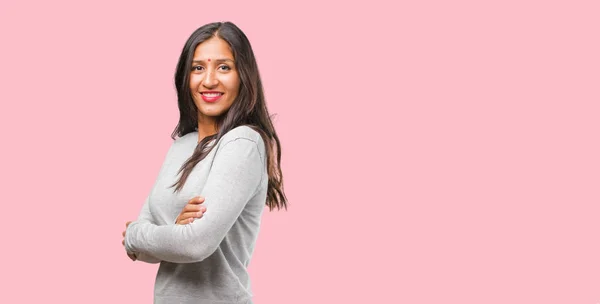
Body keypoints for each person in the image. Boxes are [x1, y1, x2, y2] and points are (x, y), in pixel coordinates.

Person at [121, 21, 287, 304]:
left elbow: (194, 244)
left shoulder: (243, 143)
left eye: (224, 67)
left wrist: (137, 235)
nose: (209, 80)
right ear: (185, 77)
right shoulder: (182, 145)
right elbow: (144, 252)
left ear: (243, 76)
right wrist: (173, 227)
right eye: (198, 68)